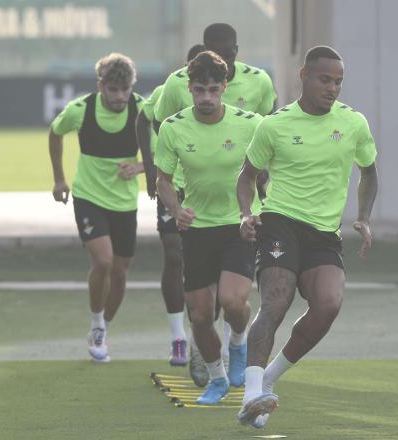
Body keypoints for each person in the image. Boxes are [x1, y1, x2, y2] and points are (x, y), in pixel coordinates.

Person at [235, 45, 378, 428]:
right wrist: (247, 213)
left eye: (338, 81)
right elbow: (247, 176)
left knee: (328, 304)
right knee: (276, 302)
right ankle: (250, 394)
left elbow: (369, 171)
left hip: (324, 232)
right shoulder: (275, 125)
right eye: (325, 79)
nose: (332, 88)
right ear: (304, 75)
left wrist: (363, 216)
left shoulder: (353, 123)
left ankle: (267, 380)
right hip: (280, 220)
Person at [153, 22, 277, 386]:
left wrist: (265, 209)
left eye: (213, 89)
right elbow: (162, 178)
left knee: (234, 303)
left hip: (238, 225)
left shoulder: (251, 124)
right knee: (202, 314)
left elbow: (268, 170)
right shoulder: (173, 127)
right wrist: (176, 210)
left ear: (225, 88)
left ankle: (238, 341)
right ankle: (217, 377)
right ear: (188, 89)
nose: (206, 97)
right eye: (199, 90)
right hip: (197, 228)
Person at [49, 53, 145, 363]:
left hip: (125, 202)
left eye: (124, 90)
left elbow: (161, 152)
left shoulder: (141, 110)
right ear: (100, 85)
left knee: (119, 272)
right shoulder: (81, 110)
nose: (119, 97)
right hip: (89, 196)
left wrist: (140, 167)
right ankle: (96, 323)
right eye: (113, 90)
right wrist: (60, 180)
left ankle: (104, 325)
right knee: (103, 262)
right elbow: (55, 132)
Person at [136, 44, 206, 367]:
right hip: (174, 184)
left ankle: (202, 335)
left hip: (208, 188)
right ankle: (178, 335)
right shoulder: (171, 88)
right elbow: (144, 119)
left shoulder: (229, 93)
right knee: (174, 254)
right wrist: (151, 169)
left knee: (209, 264)